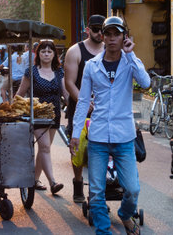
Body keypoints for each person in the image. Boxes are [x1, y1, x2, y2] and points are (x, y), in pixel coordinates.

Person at [70, 16, 150, 235]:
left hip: (124, 137)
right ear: (103, 37)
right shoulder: (92, 66)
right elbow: (84, 101)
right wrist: (76, 134)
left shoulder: (130, 61)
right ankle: (103, 231)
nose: (112, 38)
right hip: (97, 138)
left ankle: (124, 215)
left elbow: (146, 83)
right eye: (108, 34)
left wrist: (131, 54)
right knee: (96, 193)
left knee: (132, 189)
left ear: (125, 36)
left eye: (117, 34)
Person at [16, 40, 68, 195]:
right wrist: (13, 109)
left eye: (49, 51)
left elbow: (65, 93)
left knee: (44, 148)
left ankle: (34, 179)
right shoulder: (31, 72)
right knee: (44, 147)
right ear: (38, 54)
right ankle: (53, 182)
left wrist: (76, 104)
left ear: (54, 54)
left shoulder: (59, 72)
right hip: (37, 114)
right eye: (43, 51)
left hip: (54, 115)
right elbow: (20, 93)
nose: (46, 54)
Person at [64, 14, 105, 203]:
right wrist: (84, 101)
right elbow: (69, 82)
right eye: (95, 30)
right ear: (87, 30)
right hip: (81, 106)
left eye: (102, 30)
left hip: (104, 108)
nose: (99, 34)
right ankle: (78, 182)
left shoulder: (110, 50)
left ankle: (104, 184)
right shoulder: (75, 51)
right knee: (78, 146)